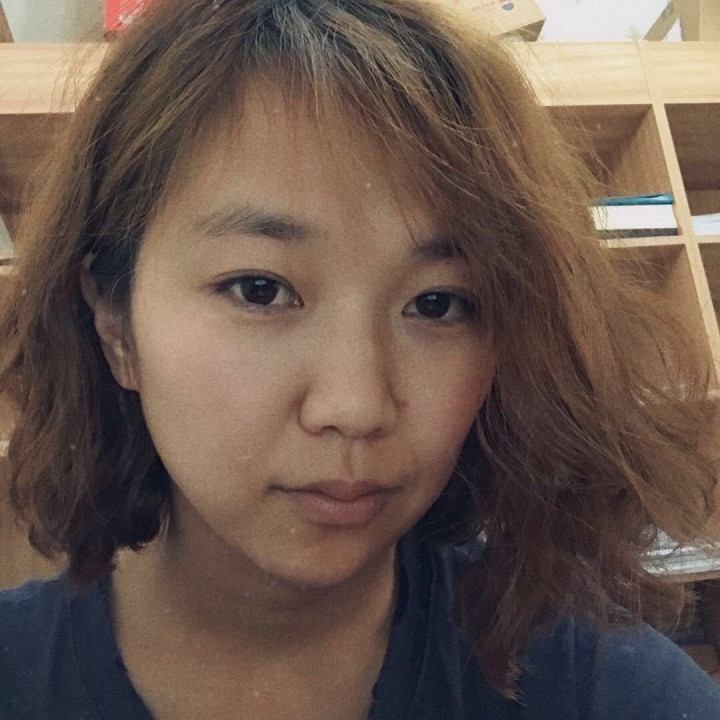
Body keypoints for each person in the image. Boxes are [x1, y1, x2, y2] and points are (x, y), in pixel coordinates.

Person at [0, 0, 718, 717]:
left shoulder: (604, 688)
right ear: (116, 324)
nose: (357, 406)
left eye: (436, 304)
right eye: (260, 289)